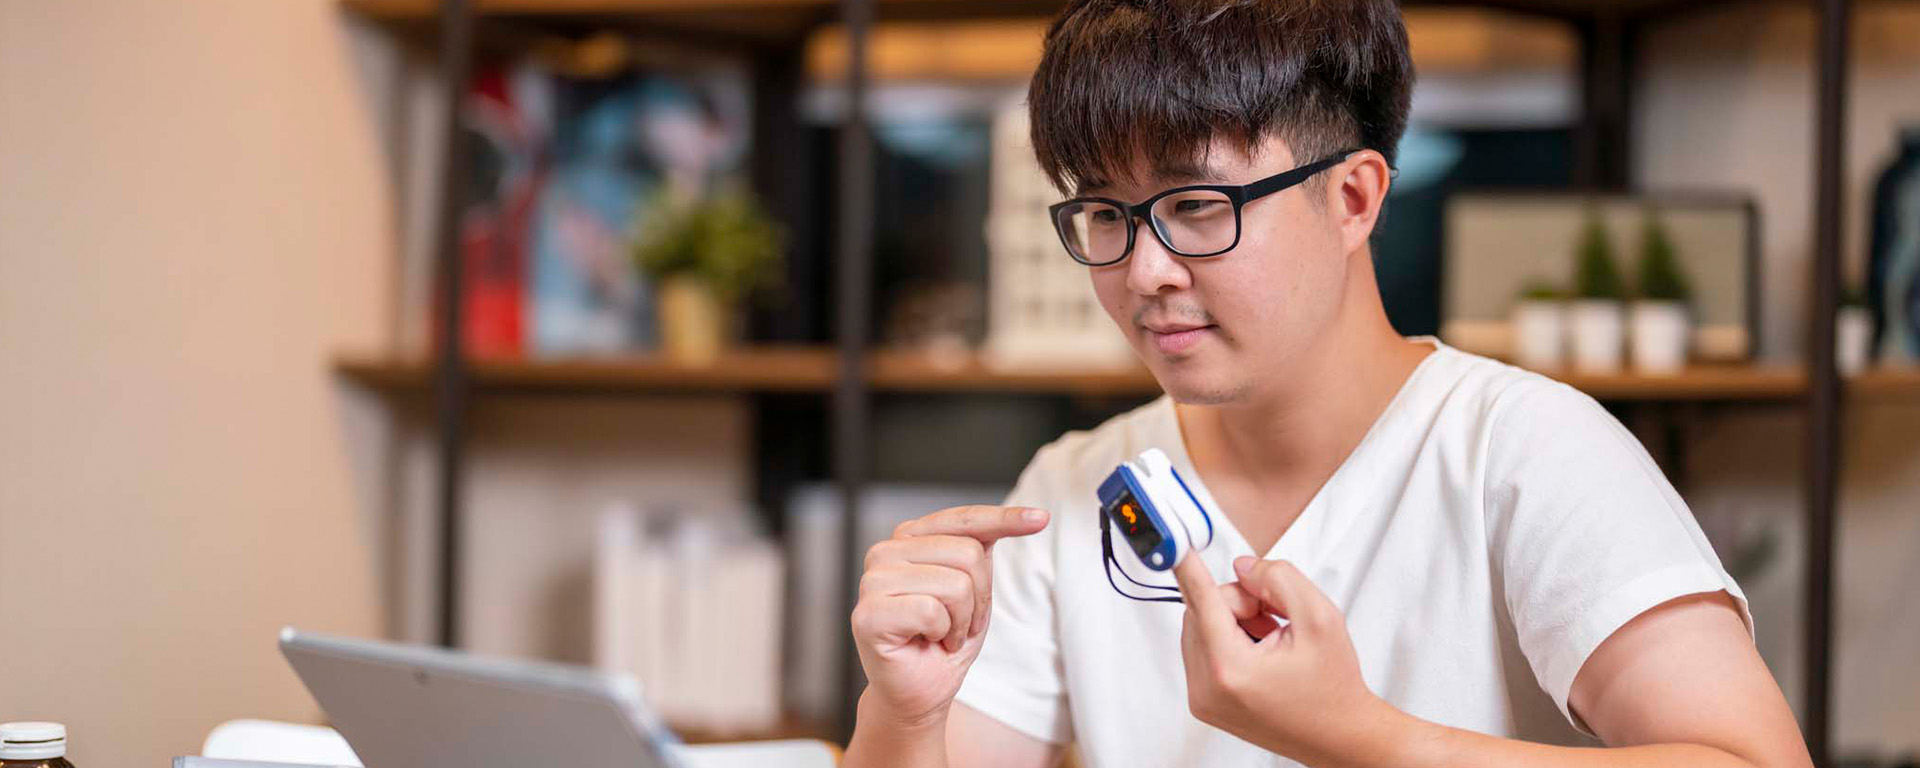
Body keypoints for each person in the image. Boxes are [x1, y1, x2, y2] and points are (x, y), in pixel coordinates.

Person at [843, 1, 1814, 766]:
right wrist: (903, 715)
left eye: (1194, 203)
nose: (1145, 272)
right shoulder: (1075, 483)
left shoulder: (1520, 451)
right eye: (1105, 213)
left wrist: (1360, 737)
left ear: (1354, 197)